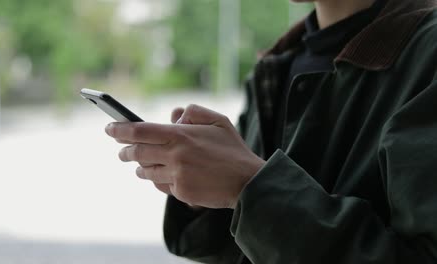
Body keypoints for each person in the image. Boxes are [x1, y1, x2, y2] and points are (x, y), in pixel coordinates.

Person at [105, 0, 437, 262]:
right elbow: (244, 251)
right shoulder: (278, 64)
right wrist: (207, 197)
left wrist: (247, 185)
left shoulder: (426, 56)